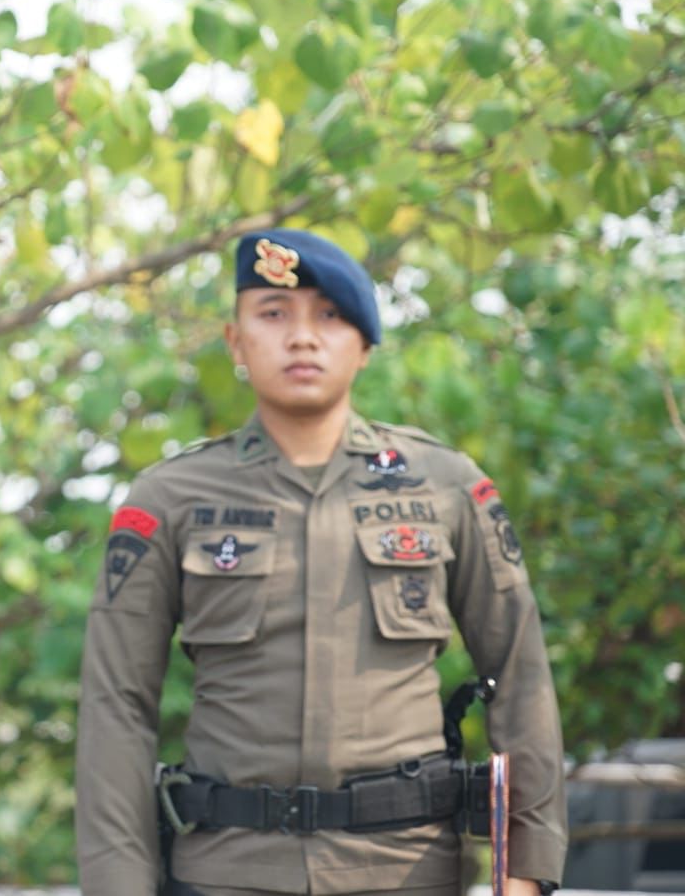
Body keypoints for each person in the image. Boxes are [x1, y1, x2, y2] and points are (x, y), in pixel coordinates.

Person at [75, 228, 566, 895]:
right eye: (273, 314)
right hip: (227, 873)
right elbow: (116, 704)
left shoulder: (445, 485)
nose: (302, 337)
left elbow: (519, 672)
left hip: (406, 871)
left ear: (364, 344)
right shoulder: (169, 497)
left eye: (329, 316)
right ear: (235, 341)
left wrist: (527, 871)